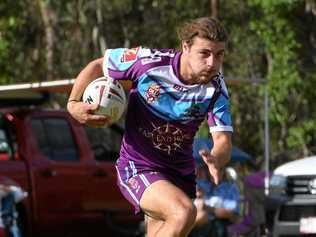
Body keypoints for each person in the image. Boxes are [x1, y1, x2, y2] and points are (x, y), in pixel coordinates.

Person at [67, 17, 233, 237]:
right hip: (138, 166)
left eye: (219, 54)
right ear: (186, 47)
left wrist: (216, 159)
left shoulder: (216, 89)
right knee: (183, 212)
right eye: (205, 53)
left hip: (179, 173)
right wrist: (73, 103)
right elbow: (99, 65)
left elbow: (223, 141)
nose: (212, 63)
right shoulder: (148, 62)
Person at [191, 165, 240, 237]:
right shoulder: (201, 184)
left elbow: (231, 214)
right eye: (209, 169)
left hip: (218, 223)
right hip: (197, 219)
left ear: (223, 171)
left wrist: (207, 208)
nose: (212, 172)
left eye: (216, 169)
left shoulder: (230, 188)